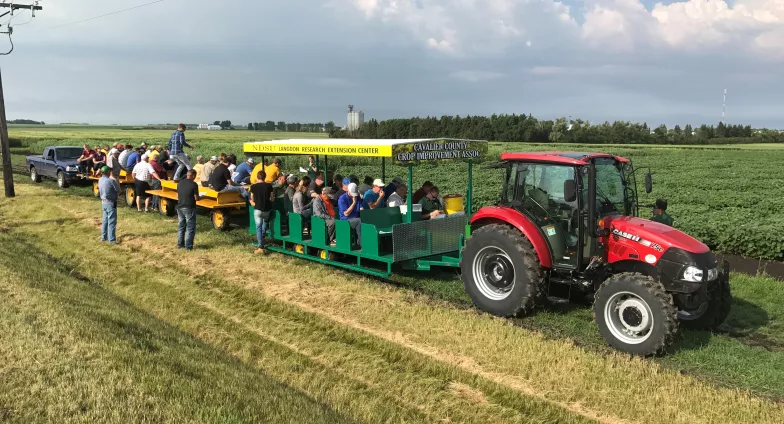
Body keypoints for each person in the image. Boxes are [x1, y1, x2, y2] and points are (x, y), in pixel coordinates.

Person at [174, 169, 202, 250]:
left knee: (181, 226)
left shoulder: (180, 182)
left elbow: (177, 195)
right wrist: (202, 197)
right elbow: (196, 198)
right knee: (190, 228)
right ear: (193, 176)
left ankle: (180, 244)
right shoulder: (194, 184)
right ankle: (188, 246)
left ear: (187, 175)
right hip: (189, 207)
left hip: (180, 207)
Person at [250, 170, 275, 255]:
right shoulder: (269, 186)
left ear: (257, 177)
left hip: (258, 209)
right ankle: (263, 235)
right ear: (265, 177)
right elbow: (272, 198)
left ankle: (260, 245)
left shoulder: (253, 187)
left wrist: (253, 203)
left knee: (258, 227)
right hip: (267, 209)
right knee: (265, 221)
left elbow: (252, 199)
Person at [98, 166, 120, 244]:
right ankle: (112, 240)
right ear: (108, 172)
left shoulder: (100, 180)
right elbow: (118, 189)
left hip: (103, 202)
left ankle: (103, 238)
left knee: (105, 221)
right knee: (112, 221)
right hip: (111, 202)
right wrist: (114, 179)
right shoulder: (111, 181)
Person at [338, 182, 363, 247]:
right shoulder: (342, 198)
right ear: (348, 190)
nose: (353, 196)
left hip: (356, 218)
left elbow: (361, 208)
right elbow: (346, 214)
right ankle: (361, 244)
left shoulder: (357, 197)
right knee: (359, 221)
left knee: (364, 219)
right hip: (345, 220)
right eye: (352, 194)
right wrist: (354, 203)